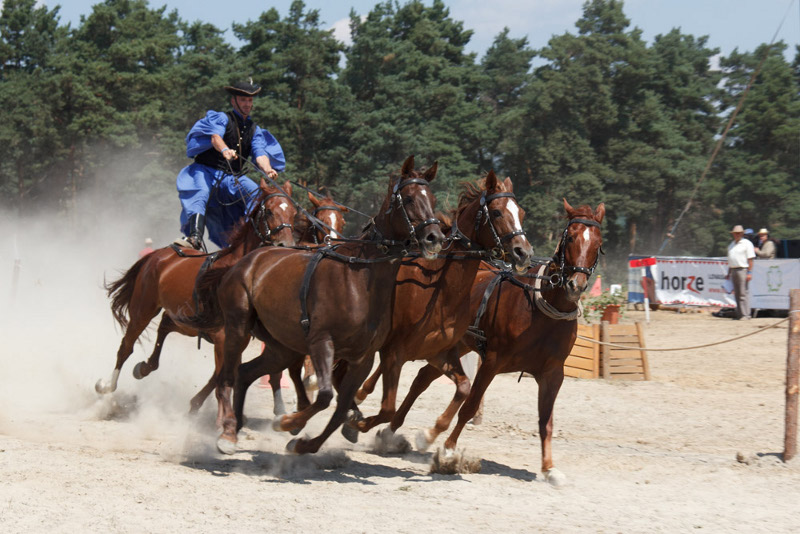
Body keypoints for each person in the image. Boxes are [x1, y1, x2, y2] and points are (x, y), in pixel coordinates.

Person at [176, 79, 285, 250]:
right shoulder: (222, 118)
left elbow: (260, 154)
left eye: (250, 100)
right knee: (201, 193)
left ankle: (254, 238)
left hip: (231, 177)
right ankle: (194, 237)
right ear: (234, 101)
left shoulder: (254, 129)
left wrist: (268, 169)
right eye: (243, 100)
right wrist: (225, 149)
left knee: (257, 194)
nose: (247, 104)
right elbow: (215, 138)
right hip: (205, 171)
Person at [726, 224, 755, 320]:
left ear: (742, 234)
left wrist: (749, 272)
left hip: (743, 269)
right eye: (735, 233)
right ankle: (739, 314)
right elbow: (731, 260)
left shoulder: (747, 243)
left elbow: (750, 259)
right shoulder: (731, 245)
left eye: (739, 233)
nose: (737, 235)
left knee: (743, 293)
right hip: (734, 269)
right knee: (737, 293)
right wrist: (729, 273)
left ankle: (746, 314)